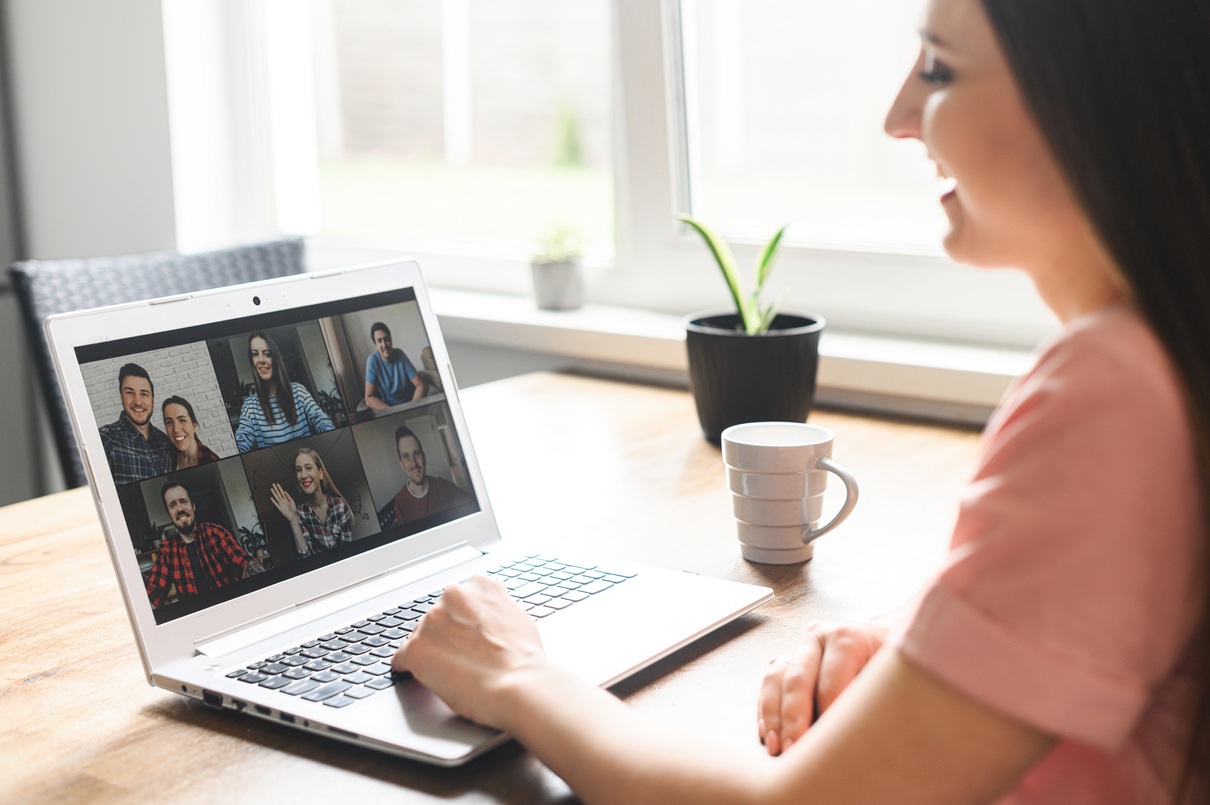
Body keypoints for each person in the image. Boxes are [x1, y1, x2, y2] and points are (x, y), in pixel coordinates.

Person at [389, 1, 1210, 802]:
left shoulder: (1110, 392)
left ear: (1098, 91)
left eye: (940, 67)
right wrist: (926, 656)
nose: (897, 117)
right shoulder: (1162, 357)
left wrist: (519, 674)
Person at [145, 481, 262, 609]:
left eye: (183, 501)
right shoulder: (168, 551)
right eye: (173, 505)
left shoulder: (215, 533)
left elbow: (245, 564)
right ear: (169, 513)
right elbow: (152, 596)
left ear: (193, 506)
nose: (179, 509)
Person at [234, 331, 335, 452]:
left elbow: (321, 421)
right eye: (255, 354)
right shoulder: (249, 406)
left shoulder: (299, 391)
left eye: (267, 354)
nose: (261, 360)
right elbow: (242, 440)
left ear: (276, 358)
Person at [269, 447, 354, 559]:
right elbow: (305, 557)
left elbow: (348, 551)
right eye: (299, 470)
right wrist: (293, 519)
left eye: (308, 468)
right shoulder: (299, 512)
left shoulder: (339, 505)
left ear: (320, 473)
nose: (304, 475)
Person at [98, 363, 175, 485]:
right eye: (130, 392)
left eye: (144, 394)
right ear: (122, 397)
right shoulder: (104, 439)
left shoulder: (165, 442)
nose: (138, 402)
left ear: (152, 401)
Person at [387, 426, 472, 526]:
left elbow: (472, 503)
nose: (413, 464)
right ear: (401, 464)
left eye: (416, 454)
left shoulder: (442, 486)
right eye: (406, 457)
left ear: (424, 457)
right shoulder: (400, 501)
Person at [364, 322, 427, 409]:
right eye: (379, 341)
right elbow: (369, 399)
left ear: (391, 339)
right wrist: (391, 412)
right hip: (389, 407)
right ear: (375, 344)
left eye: (386, 339)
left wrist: (412, 408)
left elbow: (420, 385)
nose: (384, 345)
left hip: (410, 404)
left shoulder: (400, 354)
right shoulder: (372, 361)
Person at [161, 396, 220, 470]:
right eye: (169, 422)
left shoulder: (211, 460)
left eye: (182, 420)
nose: (176, 429)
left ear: (194, 426)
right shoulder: (166, 457)